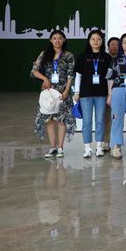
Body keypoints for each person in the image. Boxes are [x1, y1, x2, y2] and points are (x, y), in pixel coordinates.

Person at [31, 30, 76, 158]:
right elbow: (34, 71)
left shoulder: (68, 55)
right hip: (49, 91)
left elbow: (70, 74)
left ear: (64, 40)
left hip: (62, 91)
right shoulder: (44, 54)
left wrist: (67, 90)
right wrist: (45, 79)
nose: (57, 41)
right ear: (50, 40)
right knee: (49, 119)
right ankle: (53, 147)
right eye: (54, 38)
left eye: (60, 38)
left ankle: (60, 147)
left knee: (62, 119)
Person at [74, 30, 112, 158]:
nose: (96, 42)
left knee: (100, 120)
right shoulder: (83, 56)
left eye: (98, 39)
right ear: (89, 41)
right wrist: (77, 92)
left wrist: (109, 93)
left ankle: (99, 147)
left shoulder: (106, 57)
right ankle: (87, 148)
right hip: (86, 93)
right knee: (87, 121)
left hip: (101, 93)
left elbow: (109, 77)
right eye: (93, 39)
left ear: (102, 41)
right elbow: (78, 75)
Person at [102, 37, 120, 152]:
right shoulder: (103, 58)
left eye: (117, 45)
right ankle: (106, 141)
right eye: (112, 44)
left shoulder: (123, 59)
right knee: (107, 118)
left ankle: (117, 143)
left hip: (120, 92)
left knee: (117, 119)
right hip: (105, 92)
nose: (114, 47)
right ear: (108, 46)